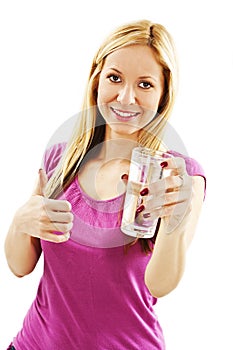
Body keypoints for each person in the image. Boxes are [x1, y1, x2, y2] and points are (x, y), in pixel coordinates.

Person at [5, 19, 206, 349]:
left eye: (145, 84)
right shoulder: (61, 160)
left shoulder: (178, 178)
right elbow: (19, 265)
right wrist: (20, 221)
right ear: (97, 80)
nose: (126, 98)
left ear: (163, 93)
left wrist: (172, 221)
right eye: (115, 78)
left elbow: (160, 284)